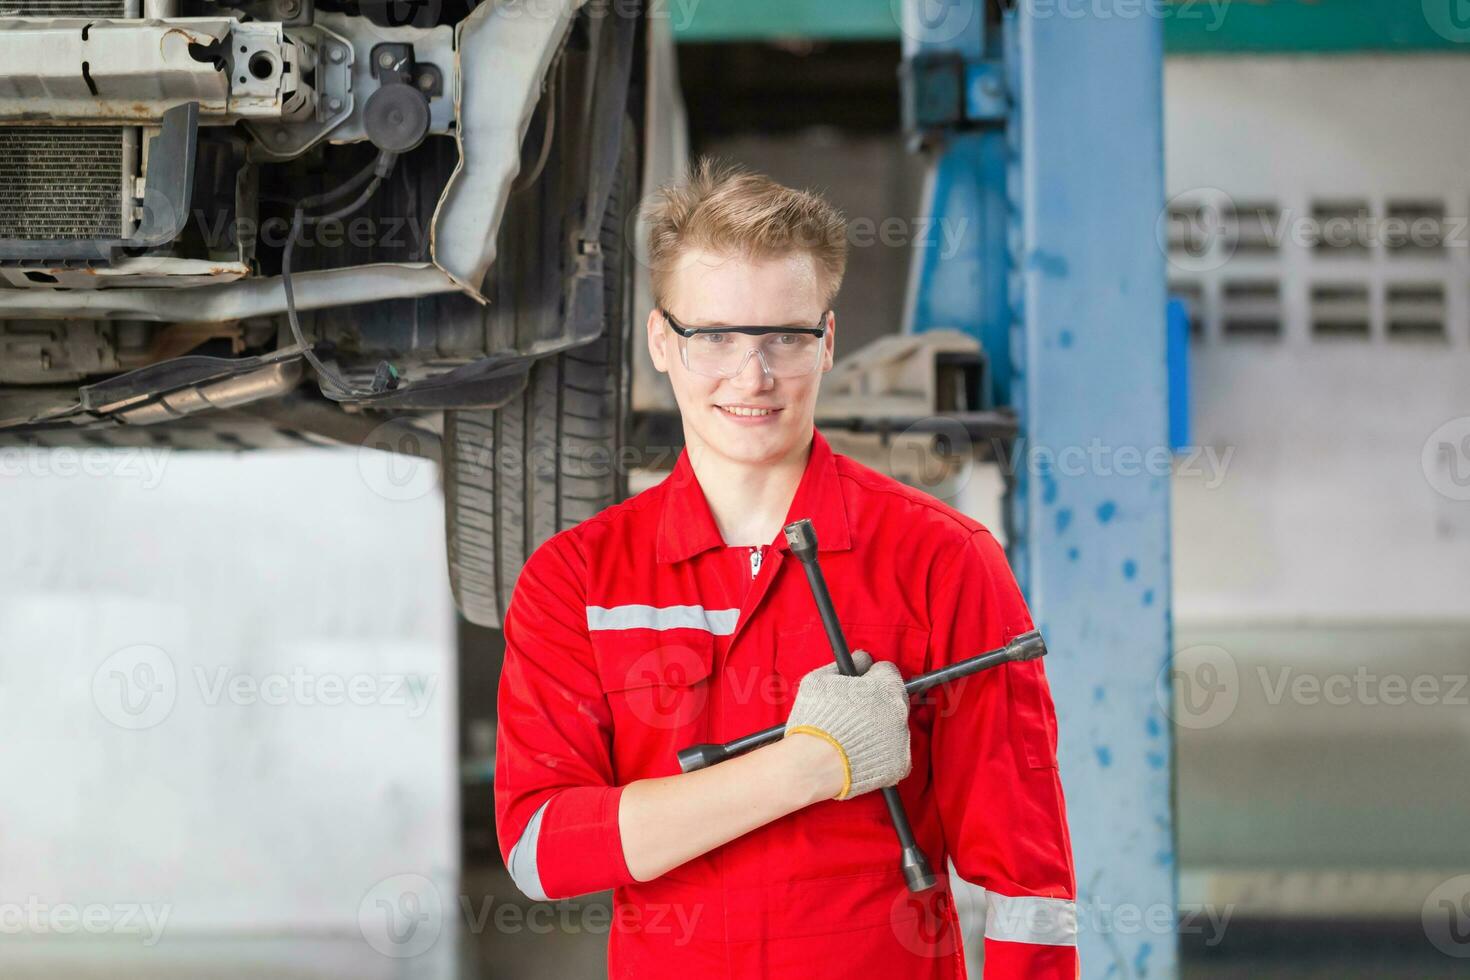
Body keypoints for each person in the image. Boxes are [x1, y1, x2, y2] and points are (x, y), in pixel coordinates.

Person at [493, 158, 1078, 978]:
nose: (753, 375)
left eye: (785, 337)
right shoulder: (580, 580)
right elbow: (540, 850)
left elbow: (1027, 879)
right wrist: (808, 766)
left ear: (827, 341)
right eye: (716, 336)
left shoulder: (944, 561)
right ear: (662, 340)